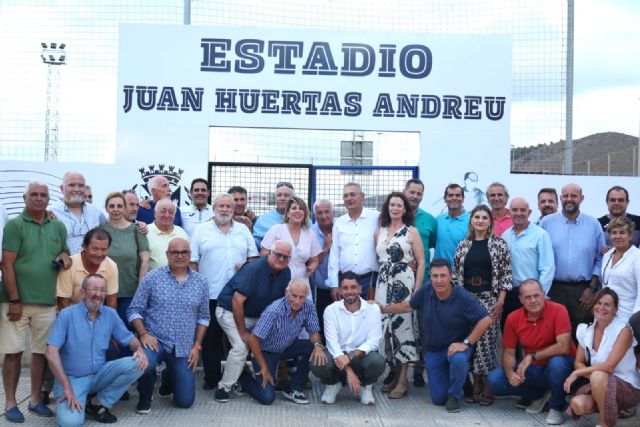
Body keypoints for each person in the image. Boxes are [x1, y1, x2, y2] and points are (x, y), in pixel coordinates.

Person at [381, 258, 492, 413]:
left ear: (451, 276)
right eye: (435, 276)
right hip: (434, 350)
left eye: (443, 276)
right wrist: (383, 309)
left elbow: (486, 319)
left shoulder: (462, 296)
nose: (439, 280)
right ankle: (461, 380)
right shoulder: (426, 291)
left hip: (456, 348)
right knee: (438, 399)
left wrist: (466, 343)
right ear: (430, 276)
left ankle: (455, 394)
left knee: (458, 359)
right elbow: (408, 306)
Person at [0, 182, 70, 423]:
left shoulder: (58, 226)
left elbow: (65, 254)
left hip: (47, 301)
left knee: (40, 354)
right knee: (13, 353)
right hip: (16, 302)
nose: (39, 199)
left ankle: (34, 400)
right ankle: (10, 403)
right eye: (34, 195)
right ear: (25, 197)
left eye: (43, 195)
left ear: (49, 199)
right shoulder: (14, 225)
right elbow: (6, 264)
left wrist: (64, 258)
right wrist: (15, 299)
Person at [45, 274, 148, 426]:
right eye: (94, 289)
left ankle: (98, 402)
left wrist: (139, 349)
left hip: (100, 375)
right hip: (73, 380)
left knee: (140, 361)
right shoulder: (67, 315)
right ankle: (79, 399)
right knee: (70, 423)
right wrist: (67, 388)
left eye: (102, 290)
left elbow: (129, 339)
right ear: (82, 293)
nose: (98, 294)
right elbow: (51, 353)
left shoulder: (110, 314)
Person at [128, 237, 209, 414]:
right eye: (175, 252)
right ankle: (144, 396)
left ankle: (169, 376)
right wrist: (142, 334)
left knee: (185, 401)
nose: (180, 256)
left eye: (184, 252)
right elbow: (134, 310)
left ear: (190, 254)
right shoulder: (152, 278)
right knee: (146, 364)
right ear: (167, 254)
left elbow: (203, 318)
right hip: (155, 341)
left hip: (183, 346)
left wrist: (197, 346)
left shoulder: (201, 282)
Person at [190, 193, 258, 390]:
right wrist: (196, 288)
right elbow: (193, 261)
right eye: (221, 206)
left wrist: (244, 268)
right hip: (210, 294)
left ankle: (237, 376)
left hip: (238, 296)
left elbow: (253, 259)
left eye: (229, 206)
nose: (225, 209)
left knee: (237, 338)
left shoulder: (243, 231)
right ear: (214, 208)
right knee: (210, 339)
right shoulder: (201, 230)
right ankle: (211, 378)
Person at [487, 279, 576, 426]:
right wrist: (510, 373)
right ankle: (538, 395)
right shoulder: (513, 318)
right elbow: (509, 352)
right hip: (535, 369)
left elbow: (563, 346)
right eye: (528, 297)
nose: (533, 300)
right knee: (495, 379)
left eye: (536, 295)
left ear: (544, 294)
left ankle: (556, 407)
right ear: (521, 300)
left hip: (564, 369)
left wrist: (532, 356)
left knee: (557, 363)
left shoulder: (559, 310)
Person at [213, 240, 292, 402]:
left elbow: (283, 301)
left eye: (286, 257)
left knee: (274, 338)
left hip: (256, 315)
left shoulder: (286, 272)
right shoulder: (254, 268)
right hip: (229, 311)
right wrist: (242, 331)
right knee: (241, 346)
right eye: (278, 255)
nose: (281, 259)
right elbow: (237, 301)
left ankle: (265, 376)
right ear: (269, 252)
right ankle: (224, 386)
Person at [452, 204, 512, 406]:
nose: (480, 220)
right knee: (471, 341)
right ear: (471, 221)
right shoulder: (462, 245)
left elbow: (505, 275)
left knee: (487, 343)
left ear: (490, 222)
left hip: (489, 299)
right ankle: (474, 382)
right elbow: (456, 274)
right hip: (467, 299)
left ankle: (486, 385)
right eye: (476, 217)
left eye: (484, 217)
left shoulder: (499, 244)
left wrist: (501, 301)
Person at [239, 279, 324, 405]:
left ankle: (294, 388)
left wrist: (318, 346)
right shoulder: (274, 310)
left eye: (301, 297)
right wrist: (264, 367)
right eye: (294, 296)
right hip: (266, 352)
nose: (297, 301)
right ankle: (243, 377)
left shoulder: (308, 305)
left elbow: (314, 331)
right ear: (286, 292)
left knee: (314, 348)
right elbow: (253, 339)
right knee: (267, 398)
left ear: (306, 296)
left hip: (287, 346)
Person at [374, 192, 425, 399]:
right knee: (386, 330)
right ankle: (394, 375)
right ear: (388, 208)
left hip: (404, 281)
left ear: (405, 209)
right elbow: (379, 259)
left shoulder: (412, 231)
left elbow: (421, 261)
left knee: (403, 329)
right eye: (392, 204)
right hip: (383, 282)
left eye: (399, 205)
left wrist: (417, 289)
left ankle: (403, 379)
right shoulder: (380, 231)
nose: (395, 208)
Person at [565, 288, 640, 427]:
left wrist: (578, 373)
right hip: (599, 383)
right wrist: (593, 377)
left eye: (607, 305)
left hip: (627, 387)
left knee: (599, 375)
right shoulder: (585, 330)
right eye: (598, 303)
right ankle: (610, 408)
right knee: (578, 404)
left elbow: (609, 366)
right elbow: (579, 362)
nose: (601, 307)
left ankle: (605, 423)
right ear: (593, 306)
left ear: (615, 309)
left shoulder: (624, 330)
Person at [540, 183, 606, 339]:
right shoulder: (546, 223)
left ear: (581, 199)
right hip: (553, 289)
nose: (570, 199)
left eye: (574, 196)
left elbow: (600, 257)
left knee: (582, 336)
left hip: (583, 292)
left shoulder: (593, 224)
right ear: (561, 198)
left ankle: (581, 364)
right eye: (566, 196)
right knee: (553, 335)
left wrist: (592, 287)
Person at [310, 273, 385, 405]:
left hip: (360, 356)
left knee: (378, 362)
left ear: (360, 289)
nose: (349, 291)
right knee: (317, 362)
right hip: (337, 354)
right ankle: (333, 385)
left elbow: (373, 341)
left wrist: (350, 357)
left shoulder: (373, 310)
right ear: (339, 290)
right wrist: (349, 371)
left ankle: (365, 387)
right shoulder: (331, 310)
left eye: (353, 287)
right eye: (345, 288)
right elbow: (332, 343)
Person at [502, 197, 555, 327]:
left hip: (531, 294)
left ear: (529, 212)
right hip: (510, 295)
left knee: (531, 336)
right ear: (509, 213)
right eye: (514, 210)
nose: (518, 213)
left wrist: (538, 296)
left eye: (522, 210)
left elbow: (548, 268)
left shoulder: (541, 235)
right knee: (510, 335)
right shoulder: (505, 236)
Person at [403, 178, 435, 388]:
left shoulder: (431, 220)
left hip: (423, 282)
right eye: (411, 192)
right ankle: (395, 370)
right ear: (404, 192)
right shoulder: (395, 216)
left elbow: (431, 246)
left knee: (424, 328)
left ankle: (419, 370)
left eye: (418, 193)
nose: (414, 196)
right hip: (399, 282)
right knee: (400, 328)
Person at [102, 192, 150, 329]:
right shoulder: (100, 230)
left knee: (125, 333)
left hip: (130, 292)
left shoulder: (137, 230)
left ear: (124, 208)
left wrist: (141, 289)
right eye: (111, 206)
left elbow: (145, 260)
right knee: (104, 332)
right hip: (103, 293)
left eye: (119, 206)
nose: (115, 209)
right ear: (106, 208)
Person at [261, 196, 321, 298]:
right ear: (288, 213)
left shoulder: (310, 234)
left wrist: (312, 267)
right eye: (294, 208)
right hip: (279, 280)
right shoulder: (276, 229)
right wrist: (276, 265)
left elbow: (315, 259)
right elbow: (264, 253)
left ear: (305, 213)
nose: (297, 211)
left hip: (302, 282)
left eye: (301, 208)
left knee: (303, 311)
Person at [327, 182, 379, 299]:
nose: (348, 198)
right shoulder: (339, 223)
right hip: (346, 283)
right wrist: (334, 284)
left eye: (352, 195)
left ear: (362, 196)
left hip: (370, 281)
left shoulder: (376, 218)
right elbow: (334, 256)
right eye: (345, 196)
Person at [56, 227, 119, 310]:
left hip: (97, 314)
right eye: (95, 249)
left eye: (103, 250)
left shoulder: (111, 266)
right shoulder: (70, 266)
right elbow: (62, 303)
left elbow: (112, 302)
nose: (99, 254)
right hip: (71, 314)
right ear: (84, 246)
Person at [50, 171, 106, 255]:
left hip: (93, 266)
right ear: (62, 188)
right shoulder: (51, 212)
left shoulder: (95, 212)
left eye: (81, 185)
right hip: (63, 267)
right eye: (71, 185)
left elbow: (107, 231)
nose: (76, 189)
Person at [601, 217, 640, 323]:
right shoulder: (607, 255)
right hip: (606, 314)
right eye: (614, 233)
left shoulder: (637, 256)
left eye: (622, 233)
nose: (617, 236)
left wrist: (635, 318)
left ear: (630, 235)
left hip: (628, 315)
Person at [310, 198, 334, 336]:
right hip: (320, 289)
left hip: (342, 287)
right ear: (315, 215)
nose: (324, 216)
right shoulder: (310, 233)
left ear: (333, 212)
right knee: (323, 323)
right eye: (320, 213)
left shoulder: (341, 229)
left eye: (327, 212)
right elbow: (309, 264)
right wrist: (325, 249)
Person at [147, 198, 189, 270]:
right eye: (163, 211)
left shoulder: (181, 233)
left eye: (171, 212)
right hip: (153, 280)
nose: (167, 215)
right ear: (154, 213)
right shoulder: (145, 232)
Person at [434, 184, 470, 267]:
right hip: (439, 274)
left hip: (461, 274)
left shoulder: (471, 221)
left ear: (463, 199)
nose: (454, 198)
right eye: (450, 195)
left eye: (457, 195)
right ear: (445, 199)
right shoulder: (438, 220)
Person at [253, 181, 294, 248]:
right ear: (275, 199)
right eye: (279, 195)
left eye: (286, 195)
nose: (282, 198)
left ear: (293, 199)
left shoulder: (300, 218)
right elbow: (256, 244)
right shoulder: (263, 219)